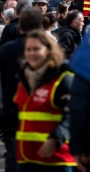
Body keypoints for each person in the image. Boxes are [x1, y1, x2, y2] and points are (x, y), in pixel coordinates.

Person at [13, 29, 76, 170]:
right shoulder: (22, 79)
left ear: (49, 50)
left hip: (56, 160)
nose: (31, 53)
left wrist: (55, 139)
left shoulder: (63, 78)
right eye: (28, 49)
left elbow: (73, 115)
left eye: (36, 49)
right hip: (25, 159)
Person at [0, 7, 43, 172]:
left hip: (11, 111)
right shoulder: (47, 50)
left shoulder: (6, 50)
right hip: (40, 112)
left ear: (20, 27)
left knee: (13, 156)